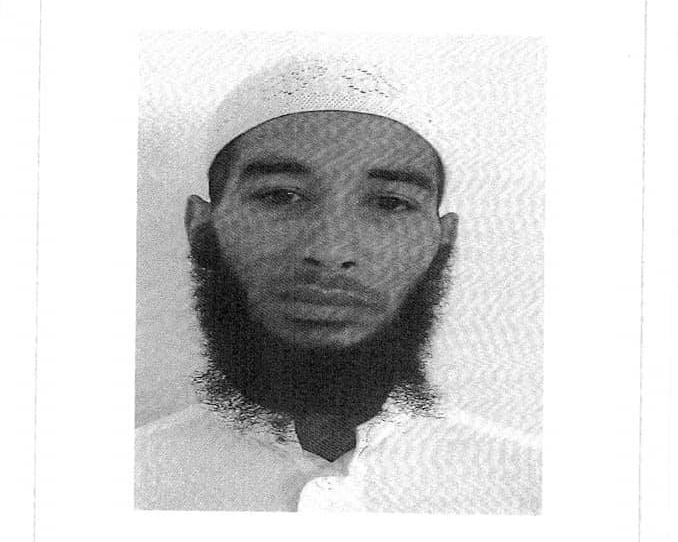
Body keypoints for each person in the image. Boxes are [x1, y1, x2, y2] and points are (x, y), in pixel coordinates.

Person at [135, 56, 541, 512]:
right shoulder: (126, 482)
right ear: (201, 226)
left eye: (390, 203)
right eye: (280, 196)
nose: (330, 251)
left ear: (442, 241)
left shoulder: (532, 486)